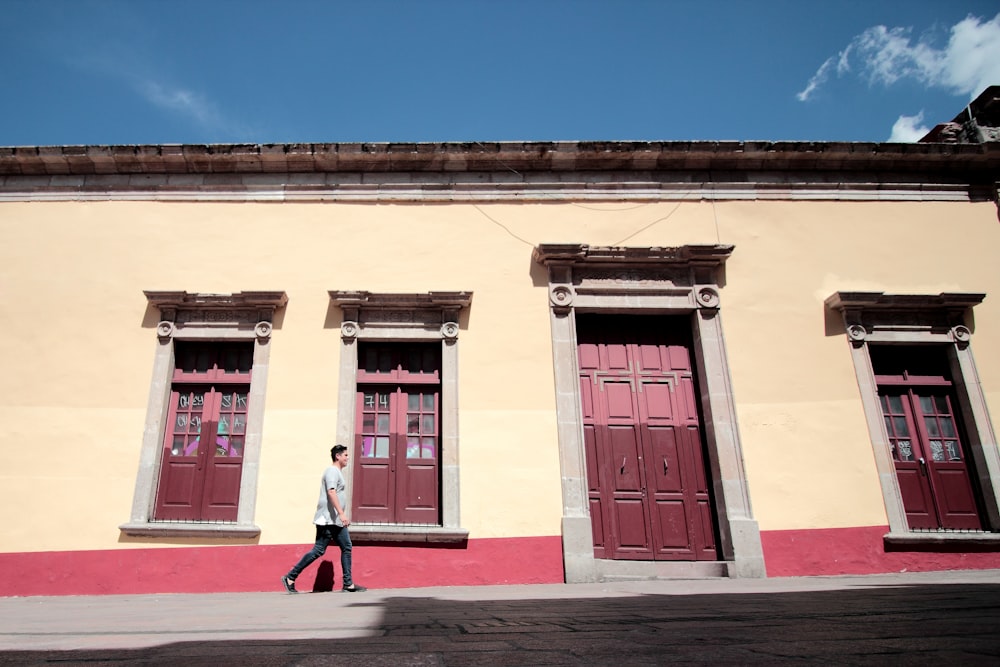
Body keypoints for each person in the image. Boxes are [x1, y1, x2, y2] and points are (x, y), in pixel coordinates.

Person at [282, 444, 367, 593]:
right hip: (328, 519)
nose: (347, 458)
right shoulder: (332, 471)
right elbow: (331, 492)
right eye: (345, 455)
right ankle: (290, 577)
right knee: (318, 550)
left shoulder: (336, 472)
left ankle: (348, 583)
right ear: (337, 456)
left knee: (346, 547)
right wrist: (341, 513)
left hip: (334, 520)